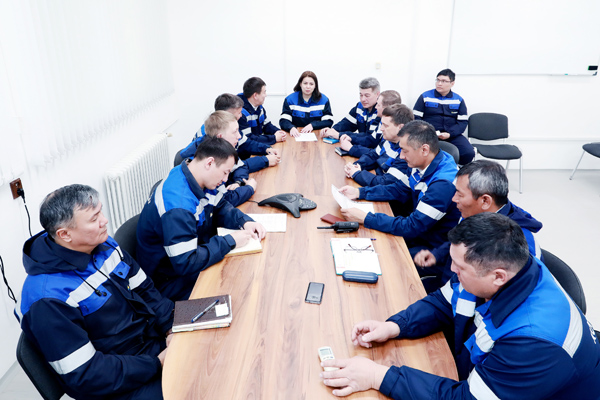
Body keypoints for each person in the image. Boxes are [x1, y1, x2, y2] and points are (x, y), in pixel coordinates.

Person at [321, 213, 600, 399]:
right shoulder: (515, 270)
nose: (451, 270)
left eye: (459, 267)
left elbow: (468, 398)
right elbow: (444, 301)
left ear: (498, 276)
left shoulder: (533, 341)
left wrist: (377, 375)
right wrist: (394, 326)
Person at [17, 184, 174, 400]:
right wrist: (157, 363)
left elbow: (145, 289)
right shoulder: (46, 298)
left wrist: (171, 329)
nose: (104, 221)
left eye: (100, 211)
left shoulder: (103, 244)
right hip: (116, 382)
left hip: (149, 344)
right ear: (65, 234)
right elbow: (87, 374)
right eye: (94, 218)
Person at [137, 137, 266, 301]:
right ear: (209, 163)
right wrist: (230, 241)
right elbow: (186, 262)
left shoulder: (193, 174)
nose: (226, 179)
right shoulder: (179, 206)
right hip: (170, 281)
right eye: (225, 172)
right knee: (240, 289)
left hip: (189, 257)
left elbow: (220, 206)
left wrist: (244, 221)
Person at [414, 160, 543, 292]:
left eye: (460, 194)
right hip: (450, 281)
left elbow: (506, 295)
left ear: (485, 200)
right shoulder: (475, 212)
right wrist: (437, 254)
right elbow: (461, 240)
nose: (454, 199)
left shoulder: (516, 243)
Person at [339, 120, 460, 256]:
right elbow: (398, 189)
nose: (401, 156)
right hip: (419, 228)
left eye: (405, 151)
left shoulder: (442, 185)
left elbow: (412, 226)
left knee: (379, 254)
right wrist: (359, 192)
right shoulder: (424, 162)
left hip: (433, 247)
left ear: (424, 150)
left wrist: (366, 218)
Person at [179, 94, 280, 173]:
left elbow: (246, 143)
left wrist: (266, 149)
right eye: (239, 113)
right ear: (227, 115)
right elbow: (232, 167)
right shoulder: (211, 137)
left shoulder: (227, 127)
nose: (241, 116)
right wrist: (265, 161)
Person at [413, 69, 475, 165]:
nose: (439, 83)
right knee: (425, 153)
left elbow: (462, 122)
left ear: (452, 83)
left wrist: (450, 134)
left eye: (444, 81)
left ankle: (456, 170)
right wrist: (426, 131)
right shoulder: (425, 97)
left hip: (451, 134)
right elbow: (415, 118)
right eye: (438, 80)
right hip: (429, 134)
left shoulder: (458, 100)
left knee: (468, 153)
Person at [344, 104, 413, 187]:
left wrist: (357, 174)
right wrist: (357, 165)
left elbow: (385, 183)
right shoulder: (389, 140)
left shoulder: (406, 153)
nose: (381, 129)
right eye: (381, 124)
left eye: (386, 125)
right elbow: (373, 155)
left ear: (401, 128)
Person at [338, 90, 402, 157]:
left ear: (387, 109)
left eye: (378, 105)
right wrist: (351, 139)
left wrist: (351, 148)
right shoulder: (382, 122)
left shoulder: (393, 131)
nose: (375, 107)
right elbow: (370, 140)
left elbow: (378, 154)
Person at [237, 77, 286, 159]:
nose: (265, 95)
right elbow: (249, 139)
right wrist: (274, 138)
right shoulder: (240, 113)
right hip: (247, 155)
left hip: (258, 147)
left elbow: (267, 125)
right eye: (264, 92)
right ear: (255, 95)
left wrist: (278, 132)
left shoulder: (259, 107)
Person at [279, 71, 333, 137]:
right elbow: (283, 121)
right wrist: (291, 128)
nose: (308, 86)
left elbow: (328, 121)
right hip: (296, 135)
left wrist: (313, 125)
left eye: (311, 84)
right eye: (305, 83)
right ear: (300, 84)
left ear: (315, 85)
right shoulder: (290, 100)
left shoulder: (324, 100)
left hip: (317, 136)